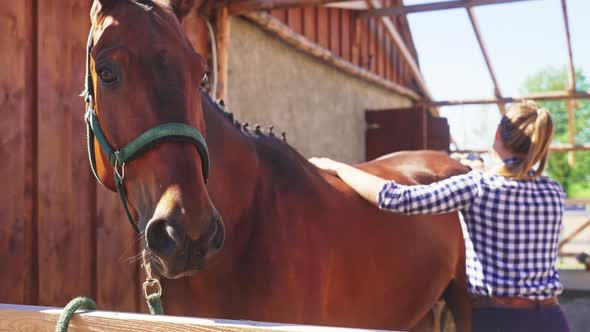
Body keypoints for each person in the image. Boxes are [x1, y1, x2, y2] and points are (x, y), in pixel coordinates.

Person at [310, 100, 570, 332]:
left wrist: (338, 168)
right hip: (551, 318)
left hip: (498, 320)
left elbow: (396, 198)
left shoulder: (476, 186)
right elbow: (514, 186)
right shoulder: (554, 192)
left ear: (498, 134)